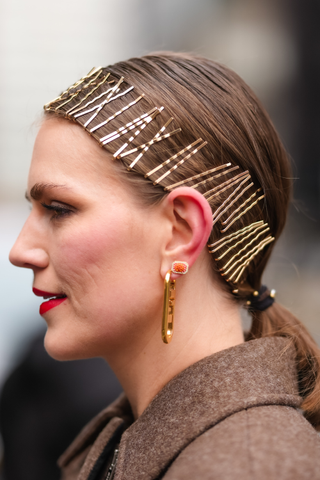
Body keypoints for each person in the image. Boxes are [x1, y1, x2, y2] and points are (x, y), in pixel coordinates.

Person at [9, 52, 320, 479]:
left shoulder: (249, 466)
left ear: (180, 232)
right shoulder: (147, 439)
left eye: (59, 209)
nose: (21, 250)